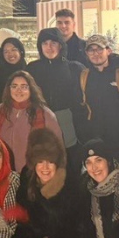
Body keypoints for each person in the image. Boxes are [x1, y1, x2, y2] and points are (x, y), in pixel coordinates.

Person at [11, 128, 78, 238]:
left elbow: (76, 233)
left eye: (50, 161)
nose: (45, 167)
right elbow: (24, 226)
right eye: (40, 161)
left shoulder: (70, 186)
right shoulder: (27, 184)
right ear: (33, 163)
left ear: (57, 163)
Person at [76, 34, 119, 169]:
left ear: (108, 51)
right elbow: (79, 108)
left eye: (99, 49)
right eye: (91, 50)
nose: (95, 54)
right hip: (95, 140)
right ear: (86, 53)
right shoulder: (84, 77)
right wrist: (84, 135)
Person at [25, 27, 85, 156]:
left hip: (67, 122)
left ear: (61, 45)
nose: (49, 47)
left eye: (53, 43)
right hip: (40, 119)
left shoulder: (74, 68)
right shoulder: (32, 69)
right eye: (45, 43)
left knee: (69, 159)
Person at [0, 71, 62, 172]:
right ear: (8, 89)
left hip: (33, 173)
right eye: (14, 86)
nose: (18, 90)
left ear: (31, 89)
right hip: (3, 172)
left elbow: (57, 149)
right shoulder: (0, 111)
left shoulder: (45, 114)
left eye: (24, 87)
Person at [76, 139, 119, 238]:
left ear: (108, 161)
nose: (94, 168)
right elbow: (86, 234)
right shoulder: (85, 192)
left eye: (98, 160)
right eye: (88, 162)